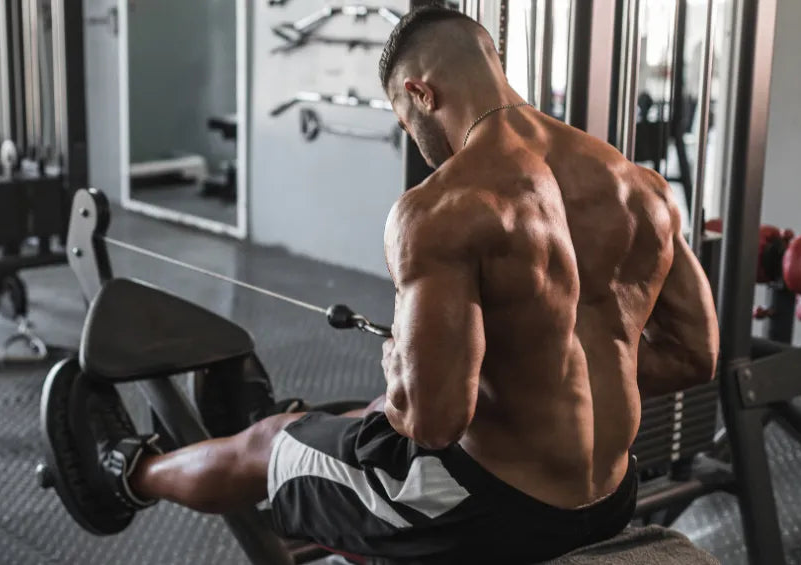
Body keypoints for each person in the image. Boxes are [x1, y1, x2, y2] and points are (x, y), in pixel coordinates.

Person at [54, 8, 719, 564]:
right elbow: (696, 355)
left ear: (422, 94)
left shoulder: (444, 206)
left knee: (269, 444)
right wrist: (538, 386)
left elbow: (431, 421)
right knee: (367, 413)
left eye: (406, 120)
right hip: (611, 493)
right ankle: (300, 442)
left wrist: (403, 364)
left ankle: (126, 474)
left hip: (484, 516)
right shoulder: (641, 187)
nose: (418, 138)